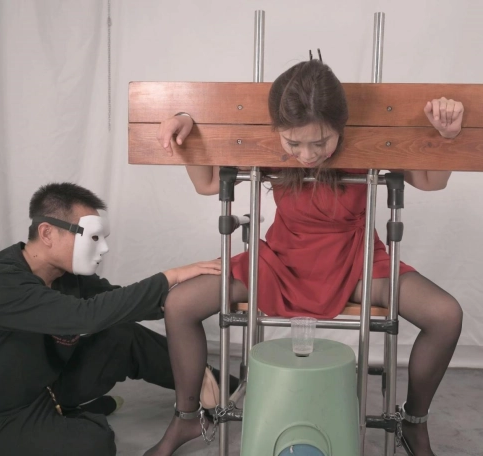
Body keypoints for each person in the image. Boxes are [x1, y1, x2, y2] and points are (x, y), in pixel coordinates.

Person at [147, 58, 464, 456]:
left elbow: (432, 181)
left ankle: (414, 423)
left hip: (355, 260)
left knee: (445, 315)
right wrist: (186, 122)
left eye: (321, 142)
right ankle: (187, 418)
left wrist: (447, 136)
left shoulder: (374, 141)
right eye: (293, 144)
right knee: (179, 304)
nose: (308, 155)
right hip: (282, 260)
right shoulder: (268, 145)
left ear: (342, 127)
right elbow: (208, 183)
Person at [0, 182, 224, 456]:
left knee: (123, 336)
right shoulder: (0, 284)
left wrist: (189, 295)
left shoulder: (65, 276)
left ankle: (230, 390)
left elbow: (118, 302)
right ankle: (68, 419)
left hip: (44, 387)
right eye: (94, 237)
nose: (104, 248)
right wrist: (169, 276)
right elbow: (86, 316)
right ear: (47, 233)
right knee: (93, 444)